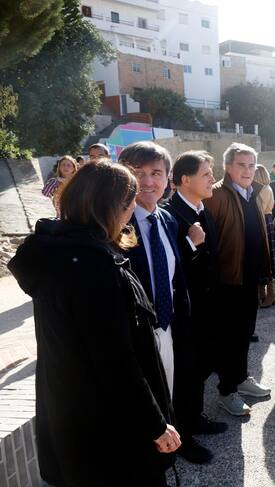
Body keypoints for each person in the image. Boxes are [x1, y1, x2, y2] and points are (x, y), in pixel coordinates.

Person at [9, 162, 180, 486]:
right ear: (111, 206)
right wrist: (156, 425)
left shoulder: (58, 251)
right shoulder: (94, 267)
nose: (132, 211)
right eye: (130, 203)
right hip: (111, 430)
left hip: (72, 418)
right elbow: (116, 362)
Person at [119, 142, 210, 464]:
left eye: (156, 173)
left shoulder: (168, 220)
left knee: (173, 387)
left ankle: (179, 442)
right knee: (148, 396)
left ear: (167, 178)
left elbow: (174, 273)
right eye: (137, 173)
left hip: (169, 325)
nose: (147, 181)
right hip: (137, 332)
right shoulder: (115, 225)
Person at [162, 151, 228, 464]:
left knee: (200, 367)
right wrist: (191, 244)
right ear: (185, 180)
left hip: (206, 308)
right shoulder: (170, 214)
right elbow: (169, 267)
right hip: (184, 313)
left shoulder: (202, 209)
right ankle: (183, 437)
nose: (212, 178)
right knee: (185, 373)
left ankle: (196, 418)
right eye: (206, 174)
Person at [203, 142, 272, 416]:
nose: (247, 170)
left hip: (249, 278)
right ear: (228, 167)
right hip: (227, 281)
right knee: (228, 338)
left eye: (251, 165)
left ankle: (241, 378)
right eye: (241, 165)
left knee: (244, 333)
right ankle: (226, 391)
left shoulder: (253, 193)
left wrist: (265, 274)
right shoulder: (215, 195)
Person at [254, 164, 275, 309]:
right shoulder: (267, 188)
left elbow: (260, 209)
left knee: (267, 259)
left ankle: (271, 295)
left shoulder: (262, 190)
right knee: (264, 258)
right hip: (266, 220)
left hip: (263, 221)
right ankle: (262, 294)